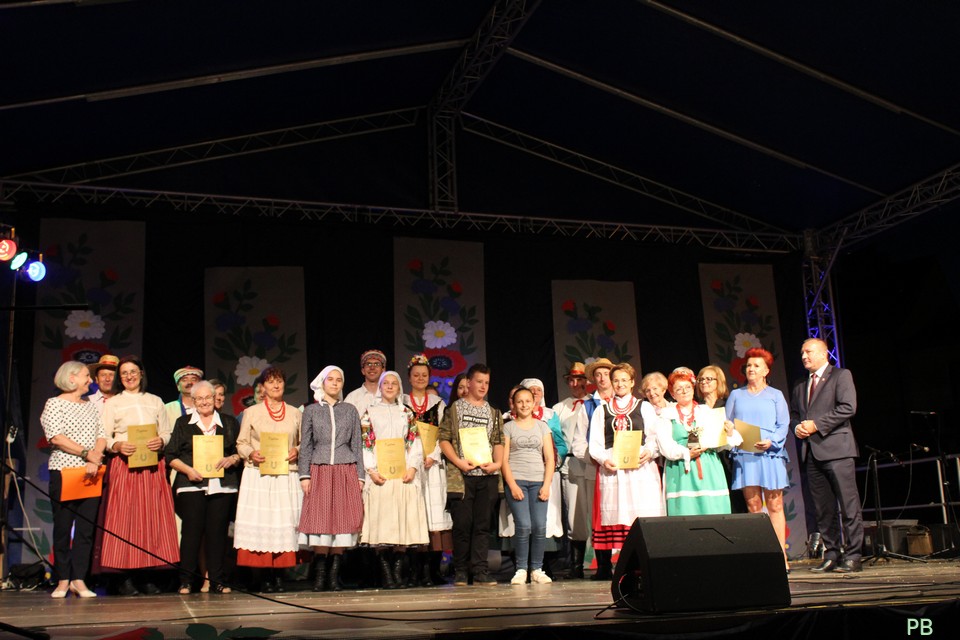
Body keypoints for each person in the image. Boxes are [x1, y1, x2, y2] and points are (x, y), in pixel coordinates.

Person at [99, 355, 179, 595]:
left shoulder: (155, 401)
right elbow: (104, 436)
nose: (129, 376)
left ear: (141, 373)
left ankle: (147, 574)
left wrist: (161, 441)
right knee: (125, 520)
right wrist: (117, 445)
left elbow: (166, 432)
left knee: (150, 520)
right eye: (124, 373)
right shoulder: (113, 403)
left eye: (133, 371)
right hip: (125, 465)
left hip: (152, 465)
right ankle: (124, 577)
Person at [790, 338, 863, 573]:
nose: (804, 356)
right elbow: (794, 415)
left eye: (808, 352)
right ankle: (832, 553)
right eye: (802, 353)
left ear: (824, 354)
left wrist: (817, 425)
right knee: (823, 508)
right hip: (812, 453)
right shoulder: (800, 385)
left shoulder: (840, 376)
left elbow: (848, 407)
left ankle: (853, 555)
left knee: (848, 505)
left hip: (838, 451)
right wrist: (797, 427)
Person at [164, 381, 242, 594]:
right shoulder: (183, 423)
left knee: (217, 534)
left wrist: (232, 459)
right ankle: (186, 580)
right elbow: (170, 455)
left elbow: (240, 450)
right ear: (193, 401)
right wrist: (188, 470)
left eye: (208, 397)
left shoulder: (228, 422)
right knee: (192, 533)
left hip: (222, 486)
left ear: (215, 399)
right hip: (192, 485)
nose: (204, 402)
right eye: (199, 398)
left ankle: (217, 580)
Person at [41, 361, 107, 598]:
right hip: (64, 472)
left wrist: (95, 458)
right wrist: (86, 453)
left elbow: (102, 435)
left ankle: (79, 579)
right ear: (71, 379)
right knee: (63, 527)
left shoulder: (91, 405)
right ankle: (62, 579)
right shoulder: (55, 404)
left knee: (85, 530)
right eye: (86, 376)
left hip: (91, 473)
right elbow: (56, 438)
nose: (90, 380)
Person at [234, 366, 303, 593]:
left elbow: (303, 442)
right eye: (271, 381)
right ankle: (263, 575)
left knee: (283, 522)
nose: (276, 385)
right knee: (262, 522)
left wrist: (297, 450)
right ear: (262, 386)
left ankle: (280, 575)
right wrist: (251, 453)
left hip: (286, 474)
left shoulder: (294, 413)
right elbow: (241, 443)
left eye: (279, 381)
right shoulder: (251, 412)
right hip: (259, 474)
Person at [298, 366, 365, 592]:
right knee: (321, 522)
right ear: (322, 382)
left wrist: (360, 476)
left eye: (339, 380)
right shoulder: (311, 411)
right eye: (331, 379)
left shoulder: (350, 410)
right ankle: (320, 576)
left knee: (342, 522)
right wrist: (304, 475)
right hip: (320, 469)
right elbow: (306, 445)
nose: (335, 383)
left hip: (345, 469)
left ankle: (334, 576)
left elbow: (357, 444)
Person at [360, 371, 428, 588]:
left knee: (401, 524)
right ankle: (386, 574)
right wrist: (371, 470)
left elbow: (414, 441)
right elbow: (366, 442)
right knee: (383, 524)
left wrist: (412, 467)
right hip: (380, 476)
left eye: (394, 384)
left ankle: (397, 572)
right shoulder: (369, 413)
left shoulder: (406, 413)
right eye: (386, 383)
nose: (389, 387)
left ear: (399, 388)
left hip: (402, 475)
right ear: (380, 387)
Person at [439, 363, 504, 587]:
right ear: (468, 382)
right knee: (462, 525)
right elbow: (444, 439)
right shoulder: (455, 409)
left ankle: (480, 571)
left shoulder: (493, 412)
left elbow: (498, 441)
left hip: (486, 476)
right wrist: (459, 462)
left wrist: (496, 463)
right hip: (462, 476)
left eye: (487, 383)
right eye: (479, 382)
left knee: (482, 526)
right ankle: (460, 571)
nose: (483, 386)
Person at [725, 348, 790, 570]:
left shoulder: (775, 395)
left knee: (775, 504)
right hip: (746, 454)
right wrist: (729, 430)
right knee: (753, 505)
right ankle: (763, 555)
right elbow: (728, 423)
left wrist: (772, 441)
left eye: (756, 365)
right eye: (749, 365)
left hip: (770, 454)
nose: (751, 369)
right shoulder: (736, 395)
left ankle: (780, 555)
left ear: (766, 371)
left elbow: (783, 424)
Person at [588, 363, 664, 553]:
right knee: (619, 513)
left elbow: (654, 436)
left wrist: (650, 451)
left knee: (643, 510)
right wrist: (603, 460)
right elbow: (595, 443)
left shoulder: (644, 407)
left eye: (624, 380)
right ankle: (622, 560)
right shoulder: (601, 411)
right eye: (616, 380)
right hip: (615, 470)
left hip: (641, 468)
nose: (620, 384)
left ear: (632, 382)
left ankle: (646, 557)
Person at [657, 369, 739, 516]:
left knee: (713, 512)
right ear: (672, 393)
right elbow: (666, 445)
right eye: (679, 389)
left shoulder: (706, 411)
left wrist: (729, 432)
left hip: (709, 467)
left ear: (693, 388)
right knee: (686, 514)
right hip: (681, 469)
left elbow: (721, 444)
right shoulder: (667, 415)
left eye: (687, 387)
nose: (684, 391)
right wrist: (686, 453)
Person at [402, 354, 451, 586]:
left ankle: (433, 571)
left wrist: (433, 456)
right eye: (416, 375)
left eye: (424, 375)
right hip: (410, 466)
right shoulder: (401, 402)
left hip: (433, 466)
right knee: (415, 515)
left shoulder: (438, 403)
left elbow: (443, 433)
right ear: (409, 377)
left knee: (435, 517)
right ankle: (414, 572)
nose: (420, 378)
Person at [502, 387, 555, 585]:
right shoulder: (508, 427)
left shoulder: (542, 427)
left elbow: (549, 458)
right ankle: (521, 569)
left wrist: (546, 484)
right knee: (523, 525)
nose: (524, 405)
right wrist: (512, 485)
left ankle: (537, 569)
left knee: (540, 526)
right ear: (514, 405)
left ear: (534, 403)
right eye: (520, 401)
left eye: (527, 401)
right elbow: (504, 460)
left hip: (538, 481)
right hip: (517, 481)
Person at [572, 357, 615, 580]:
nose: (602, 378)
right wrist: (596, 459)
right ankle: (604, 565)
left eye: (606, 374)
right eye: (598, 375)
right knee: (599, 517)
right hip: (596, 469)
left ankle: (627, 563)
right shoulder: (588, 406)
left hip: (624, 469)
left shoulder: (625, 402)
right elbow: (578, 443)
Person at [552, 362, 591, 578]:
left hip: (592, 464)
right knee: (575, 515)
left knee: (594, 512)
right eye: (571, 380)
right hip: (571, 465)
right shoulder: (560, 408)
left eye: (580, 380)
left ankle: (599, 560)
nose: (575, 384)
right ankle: (577, 565)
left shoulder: (595, 404)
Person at [696, 365, 746, 513]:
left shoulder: (728, 404)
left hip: (728, 459)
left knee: (734, 501)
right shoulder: (696, 407)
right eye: (701, 379)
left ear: (719, 382)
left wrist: (730, 432)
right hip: (706, 458)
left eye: (709, 379)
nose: (704, 382)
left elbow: (742, 432)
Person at [344, 349, 387, 416]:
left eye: (377, 364)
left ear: (383, 370)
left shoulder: (389, 395)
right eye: (368, 364)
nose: (372, 367)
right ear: (363, 370)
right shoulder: (352, 398)